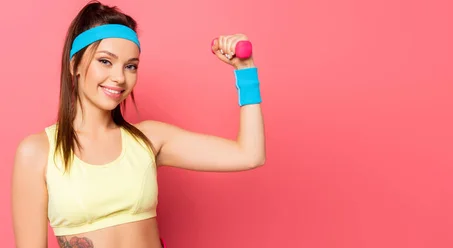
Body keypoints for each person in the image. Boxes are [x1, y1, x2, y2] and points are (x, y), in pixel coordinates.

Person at [11, 1, 266, 247]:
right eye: (105, 61)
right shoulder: (37, 152)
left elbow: (250, 155)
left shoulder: (148, 139)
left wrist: (245, 70)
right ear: (74, 64)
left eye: (130, 66)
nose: (119, 77)